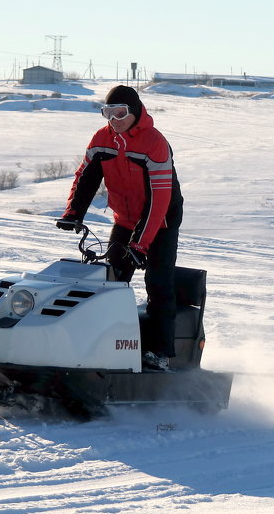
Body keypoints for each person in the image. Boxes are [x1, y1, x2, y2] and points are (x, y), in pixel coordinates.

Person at [56, 85, 184, 372]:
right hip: (125, 219)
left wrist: (141, 245)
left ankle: (160, 353)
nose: (114, 119)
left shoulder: (154, 143)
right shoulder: (103, 139)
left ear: (135, 111)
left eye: (120, 113)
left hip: (160, 220)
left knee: (158, 282)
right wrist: (73, 212)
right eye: (108, 113)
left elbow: (159, 198)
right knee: (110, 281)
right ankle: (105, 344)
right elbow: (85, 176)